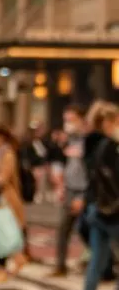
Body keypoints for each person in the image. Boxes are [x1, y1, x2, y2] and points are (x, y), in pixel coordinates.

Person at [78, 101, 119, 290]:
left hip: (95, 208)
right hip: (113, 210)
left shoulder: (90, 144)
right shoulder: (111, 146)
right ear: (108, 122)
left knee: (98, 260)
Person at [50, 104, 90, 277]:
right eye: (66, 120)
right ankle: (60, 266)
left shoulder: (89, 140)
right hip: (69, 189)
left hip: (85, 191)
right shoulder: (68, 140)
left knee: (88, 229)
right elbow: (58, 160)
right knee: (64, 229)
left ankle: (101, 264)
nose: (68, 123)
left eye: (71, 120)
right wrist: (60, 184)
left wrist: (82, 195)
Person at [0, 123, 28, 283]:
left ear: (1, 138)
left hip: (7, 200)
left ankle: (16, 262)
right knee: (7, 234)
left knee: (7, 234)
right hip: (3, 199)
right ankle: (14, 263)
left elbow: (3, 179)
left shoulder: (8, 154)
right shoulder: (1, 153)